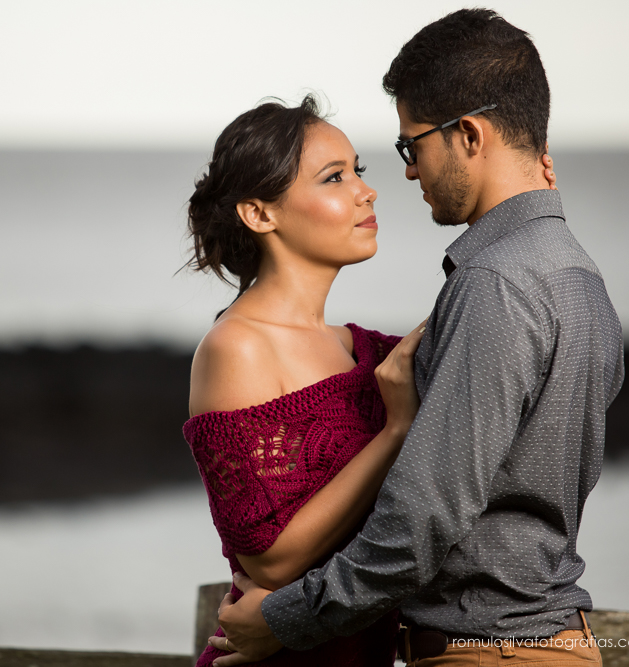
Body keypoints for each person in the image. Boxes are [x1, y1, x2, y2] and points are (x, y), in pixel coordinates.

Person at [210, 9, 624, 667]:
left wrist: (282, 622)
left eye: (412, 146)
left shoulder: (493, 282)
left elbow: (420, 525)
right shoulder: (577, 275)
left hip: (489, 651)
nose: (402, 176)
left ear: (467, 135)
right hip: (550, 638)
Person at [183, 94, 558, 665]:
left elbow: (488, 322)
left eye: (358, 169)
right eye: (334, 178)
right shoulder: (237, 346)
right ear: (260, 214)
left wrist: (534, 207)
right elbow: (270, 559)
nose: (367, 189)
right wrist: (395, 431)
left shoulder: (371, 351)